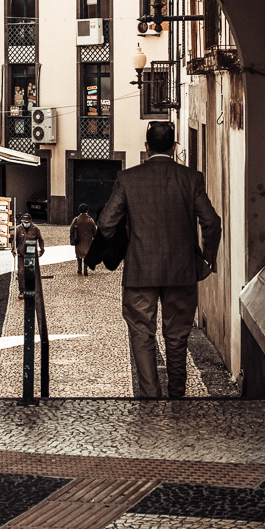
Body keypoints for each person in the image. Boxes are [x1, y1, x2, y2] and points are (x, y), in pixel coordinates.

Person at [97, 121, 221, 399]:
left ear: (146, 147)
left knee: (142, 335)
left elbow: (106, 223)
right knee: (177, 337)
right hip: (182, 270)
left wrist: (129, 244)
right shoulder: (191, 178)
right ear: (175, 147)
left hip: (141, 271)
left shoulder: (127, 179)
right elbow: (211, 222)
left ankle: (150, 396)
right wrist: (208, 259)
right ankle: (177, 393)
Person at [12, 212, 44, 300]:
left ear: (31, 221)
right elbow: (15, 241)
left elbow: (41, 240)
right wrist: (13, 249)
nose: (25, 223)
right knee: (21, 272)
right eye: (24, 222)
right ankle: (22, 290)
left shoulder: (36, 229)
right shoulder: (18, 229)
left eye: (27, 222)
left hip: (31, 254)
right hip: (21, 254)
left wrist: (41, 251)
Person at [70, 203, 97, 276]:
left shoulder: (76, 220)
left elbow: (71, 230)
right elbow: (95, 232)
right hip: (88, 241)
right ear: (87, 211)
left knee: (79, 255)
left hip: (78, 240)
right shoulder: (90, 220)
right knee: (86, 255)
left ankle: (79, 269)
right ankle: (85, 270)